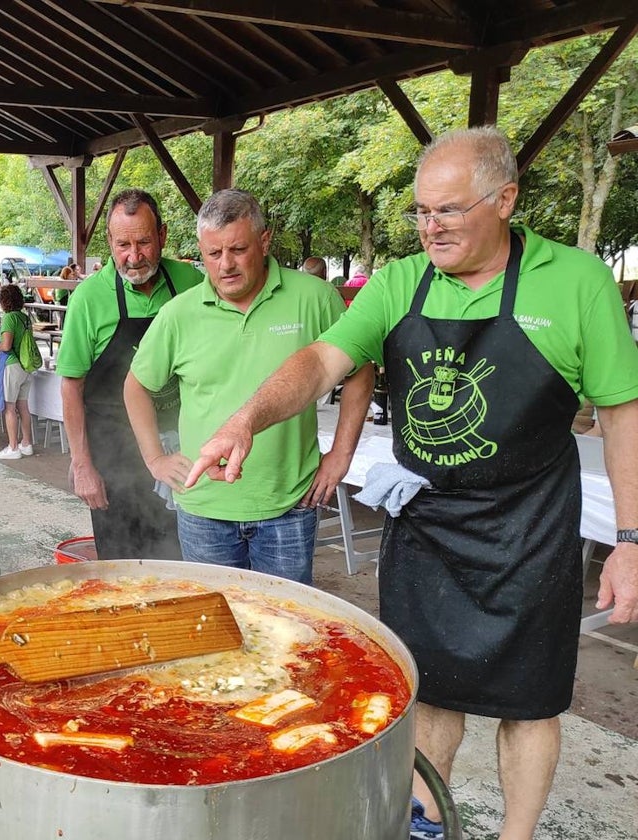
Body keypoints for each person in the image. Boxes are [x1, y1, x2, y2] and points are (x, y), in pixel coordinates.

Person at [185, 127, 638, 840]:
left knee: (530, 704)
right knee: (425, 689)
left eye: (449, 211)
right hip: (426, 523)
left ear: (506, 199)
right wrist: (249, 417)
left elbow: (621, 413)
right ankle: (428, 823)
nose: (431, 227)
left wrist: (630, 539)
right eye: (421, 212)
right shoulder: (400, 282)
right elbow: (322, 361)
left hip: (530, 526)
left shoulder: (575, 282)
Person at [124, 190, 372, 583]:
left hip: (289, 505)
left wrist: (341, 456)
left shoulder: (316, 297)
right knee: (216, 627)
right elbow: (136, 386)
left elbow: (360, 371)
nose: (225, 266)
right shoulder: (178, 314)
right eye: (212, 254)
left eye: (238, 249)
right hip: (203, 507)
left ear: (264, 240)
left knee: (286, 630)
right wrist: (155, 459)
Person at [57, 188, 204, 560]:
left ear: (163, 236)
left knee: (183, 562)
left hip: (182, 450)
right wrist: (82, 465)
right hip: (114, 457)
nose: (133, 257)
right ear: (109, 241)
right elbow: (71, 387)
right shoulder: (89, 298)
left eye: (144, 242)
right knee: (123, 569)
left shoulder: (190, 282)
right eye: (122, 244)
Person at [0, 283, 35, 460]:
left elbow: (6, 346)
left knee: (9, 408)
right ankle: (27, 443)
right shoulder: (25, 317)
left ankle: (13, 447)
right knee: (23, 406)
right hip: (26, 366)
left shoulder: (8, 318)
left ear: (3, 301)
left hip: (11, 365)